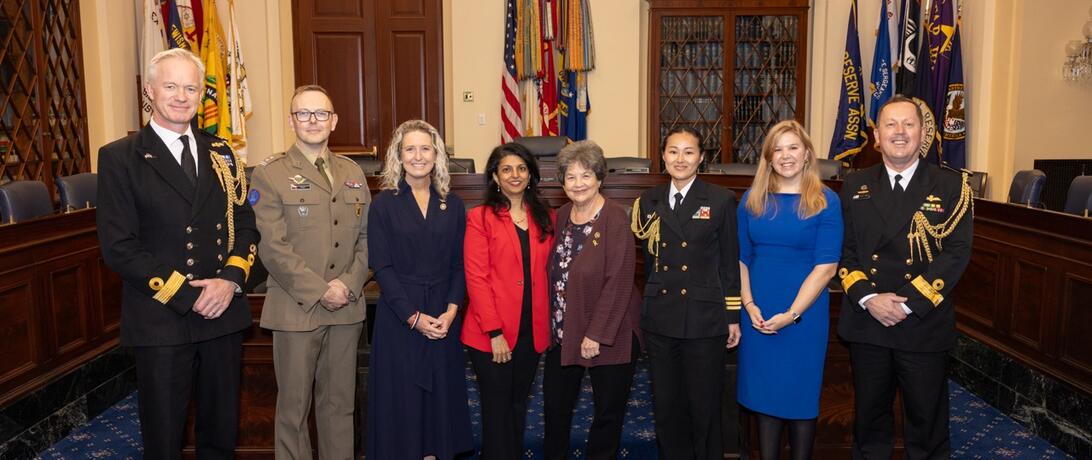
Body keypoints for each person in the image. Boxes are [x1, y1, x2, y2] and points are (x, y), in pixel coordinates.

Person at [96, 48, 258, 459]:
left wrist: (230, 281)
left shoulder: (221, 152)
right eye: (171, 86)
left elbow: (246, 226)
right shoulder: (120, 157)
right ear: (150, 91)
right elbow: (119, 246)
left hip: (222, 314)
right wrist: (189, 296)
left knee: (221, 435)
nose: (182, 96)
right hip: (162, 317)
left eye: (190, 87)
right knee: (164, 439)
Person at [838, 95, 973, 459]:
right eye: (890, 125)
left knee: (926, 423)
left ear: (923, 133)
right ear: (877, 135)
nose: (900, 133)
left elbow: (956, 253)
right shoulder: (854, 184)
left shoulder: (951, 185)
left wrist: (909, 304)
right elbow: (846, 251)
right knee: (869, 421)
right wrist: (869, 298)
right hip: (869, 322)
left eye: (908, 124)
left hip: (923, 323)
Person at [250, 85, 369, 459]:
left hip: (346, 308)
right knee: (293, 411)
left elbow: (368, 239)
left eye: (321, 114)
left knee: (339, 407)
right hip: (296, 309)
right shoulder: (270, 174)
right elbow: (272, 247)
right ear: (291, 121)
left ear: (334, 121)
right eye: (304, 114)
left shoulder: (353, 172)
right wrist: (321, 290)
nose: (313, 121)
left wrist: (348, 284)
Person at [631, 126, 741, 459]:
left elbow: (729, 261)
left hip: (704, 319)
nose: (681, 159)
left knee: (703, 406)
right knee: (666, 406)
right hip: (661, 318)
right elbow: (649, 265)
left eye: (689, 152)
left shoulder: (720, 200)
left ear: (701, 158)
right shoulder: (647, 201)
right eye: (673, 151)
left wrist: (732, 316)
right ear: (663, 157)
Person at [365, 119, 472, 459]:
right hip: (400, 317)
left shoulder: (452, 204)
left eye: (425, 148)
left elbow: (460, 264)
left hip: (443, 316)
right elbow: (382, 267)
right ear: (398, 155)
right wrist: (413, 317)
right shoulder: (383, 204)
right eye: (410, 148)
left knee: (440, 400)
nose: (418, 155)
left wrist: (452, 310)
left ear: (436, 155)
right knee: (403, 403)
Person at [736, 120, 843, 460]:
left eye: (793, 147)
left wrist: (792, 314)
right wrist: (749, 304)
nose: (785, 156)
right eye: (777, 149)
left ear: (808, 153)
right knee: (764, 396)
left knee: (800, 397)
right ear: (768, 158)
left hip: (804, 315)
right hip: (758, 309)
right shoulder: (751, 201)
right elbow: (740, 258)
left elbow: (826, 267)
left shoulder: (826, 201)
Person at [543, 140, 642, 460]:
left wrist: (596, 334)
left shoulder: (615, 217)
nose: (578, 184)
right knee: (555, 411)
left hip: (610, 332)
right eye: (570, 177)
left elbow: (620, 281)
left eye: (586, 175)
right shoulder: (559, 217)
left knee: (607, 416)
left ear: (600, 177)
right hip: (563, 331)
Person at [462, 143, 555, 459]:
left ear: (530, 175)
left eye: (521, 169)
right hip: (492, 333)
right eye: (506, 169)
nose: (515, 175)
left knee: (518, 404)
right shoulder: (480, 217)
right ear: (495, 177)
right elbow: (476, 278)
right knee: (497, 408)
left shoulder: (546, 217)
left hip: (532, 330)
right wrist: (494, 332)